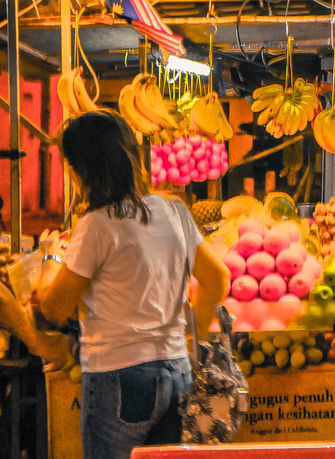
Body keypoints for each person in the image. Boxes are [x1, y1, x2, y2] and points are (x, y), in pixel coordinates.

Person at [34, 110, 230, 459]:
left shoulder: (97, 225)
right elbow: (217, 279)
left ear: (80, 170)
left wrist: (50, 258)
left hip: (119, 379)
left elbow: (55, 308)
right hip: (177, 371)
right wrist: (190, 330)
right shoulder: (174, 210)